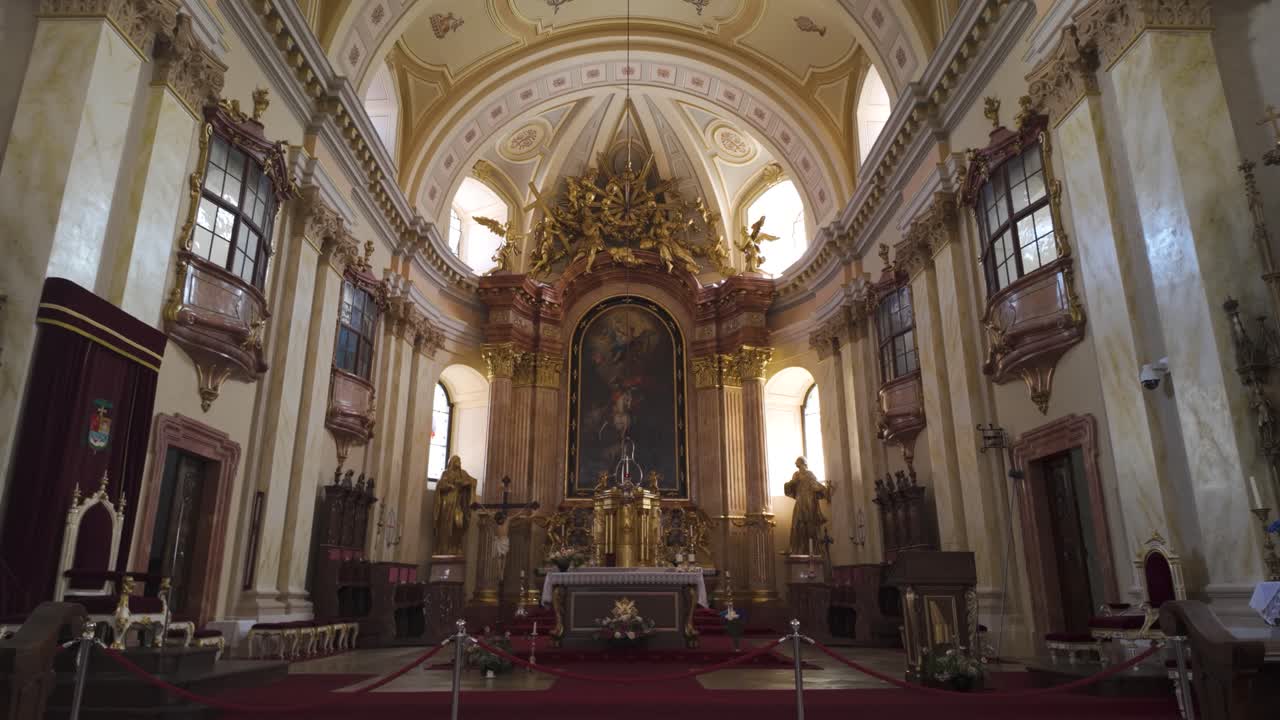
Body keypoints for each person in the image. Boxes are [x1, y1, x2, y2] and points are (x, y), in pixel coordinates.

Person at [784, 457, 831, 556]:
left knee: (810, 525)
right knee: (798, 524)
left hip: (809, 502)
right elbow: (789, 487)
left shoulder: (809, 474)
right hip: (800, 501)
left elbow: (815, 485)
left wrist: (825, 490)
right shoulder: (796, 475)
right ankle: (799, 548)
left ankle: (813, 549)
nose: (798, 465)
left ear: (803, 463)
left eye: (799, 463)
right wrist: (792, 482)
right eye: (798, 463)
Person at [431, 456, 476, 556]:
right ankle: (444, 548)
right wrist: (449, 486)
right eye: (457, 460)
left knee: (458, 523)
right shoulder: (446, 473)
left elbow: (472, 482)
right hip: (447, 504)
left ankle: (456, 546)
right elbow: (440, 485)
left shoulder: (462, 473)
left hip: (458, 504)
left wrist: (465, 484)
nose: (459, 462)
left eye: (460, 460)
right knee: (446, 526)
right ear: (452, 462)